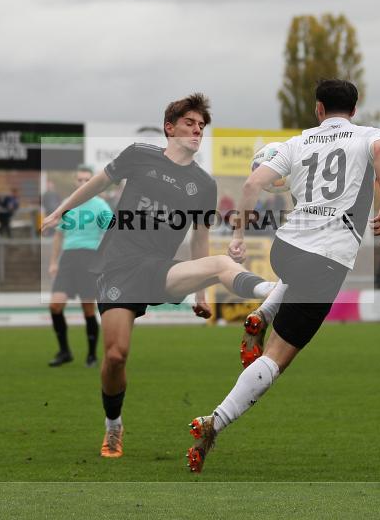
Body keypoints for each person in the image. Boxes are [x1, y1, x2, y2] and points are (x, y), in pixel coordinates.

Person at [41, 93, 276, 460]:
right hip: (117, 266)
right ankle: (114, 424)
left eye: (201, 126)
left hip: (159, 268)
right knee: (116, 356)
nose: (197, 130)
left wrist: (201, 295)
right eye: (189, 123)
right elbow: (98, 183)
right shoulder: (139, 155)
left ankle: (272, 292)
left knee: (219, 263)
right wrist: (60, 211)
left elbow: (200, 237)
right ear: (170, 128)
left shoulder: (204, 185)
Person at [185, 78, 380, 473]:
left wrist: (238, 235)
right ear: (354, 110)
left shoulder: (297, 143)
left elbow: (253, 182)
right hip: (327, 259)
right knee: (276, 358)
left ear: (319, 109)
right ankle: (215, 422)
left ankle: (262, 313)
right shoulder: (369, 135)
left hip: (286, 249)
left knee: (297, 278)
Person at [47, 166, 111, 368]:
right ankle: (64, 351)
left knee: (88, 309)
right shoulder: (68, 204)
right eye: (80, 180)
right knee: (55, 305)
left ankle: (91, 355)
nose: (83, 183)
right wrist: (53, 262)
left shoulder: (100, 206)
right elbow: (58, 236)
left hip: (89, 258)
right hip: (68, 259)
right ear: (75, 182)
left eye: (87, 180)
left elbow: (111, 234)